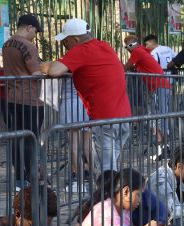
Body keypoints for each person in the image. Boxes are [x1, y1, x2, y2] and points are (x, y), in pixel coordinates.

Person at [41, 18, 132, 174]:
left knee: (106, 171)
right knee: (112, 167)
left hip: (105, 120)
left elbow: (54, 70)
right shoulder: (104, 46)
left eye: (65, 42)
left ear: (75, 39)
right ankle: (111, 195)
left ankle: (107, 197)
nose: (64, 46)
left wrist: (43, 65)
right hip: (124, 117)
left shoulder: (81, 50)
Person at [2, 14, 44, 190]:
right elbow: (35, 73)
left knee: (16, 139)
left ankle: (19, 179)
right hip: (30, 100)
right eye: (35, 31)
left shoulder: (7, 44)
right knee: (30, 139)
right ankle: (30, 178)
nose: (35, 35)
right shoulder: (28, 46)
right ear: (29, 28)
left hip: (11, 98)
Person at [124, 35, 172, 159]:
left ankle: (165, 149)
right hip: (158, 87)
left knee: (158, 117)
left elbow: (125, 67)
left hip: (158, 87)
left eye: (129, 46)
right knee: (156, 117)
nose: (128, 49)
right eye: (126, 47)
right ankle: (163, 149)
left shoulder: (138, 51)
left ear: (135, 44)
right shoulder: (142, 51)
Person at [59, 79, 92, 184]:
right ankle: (93, 174)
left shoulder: (65, 64)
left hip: (70, 102)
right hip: (85, 103)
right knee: (87, 144)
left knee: (74, 145)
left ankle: (79, 177)